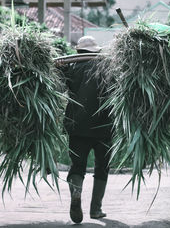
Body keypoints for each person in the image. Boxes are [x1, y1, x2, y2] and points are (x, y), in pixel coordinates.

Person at [62, 36, 113, 224]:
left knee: (77, 166)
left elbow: (57, 84)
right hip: (104, 127)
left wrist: (60, 67)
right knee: (102, 167)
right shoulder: (108, 67)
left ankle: (76, 192)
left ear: (77, 52)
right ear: (96, 51)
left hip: (77, 126)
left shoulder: (71, 68)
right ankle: (96, 209)